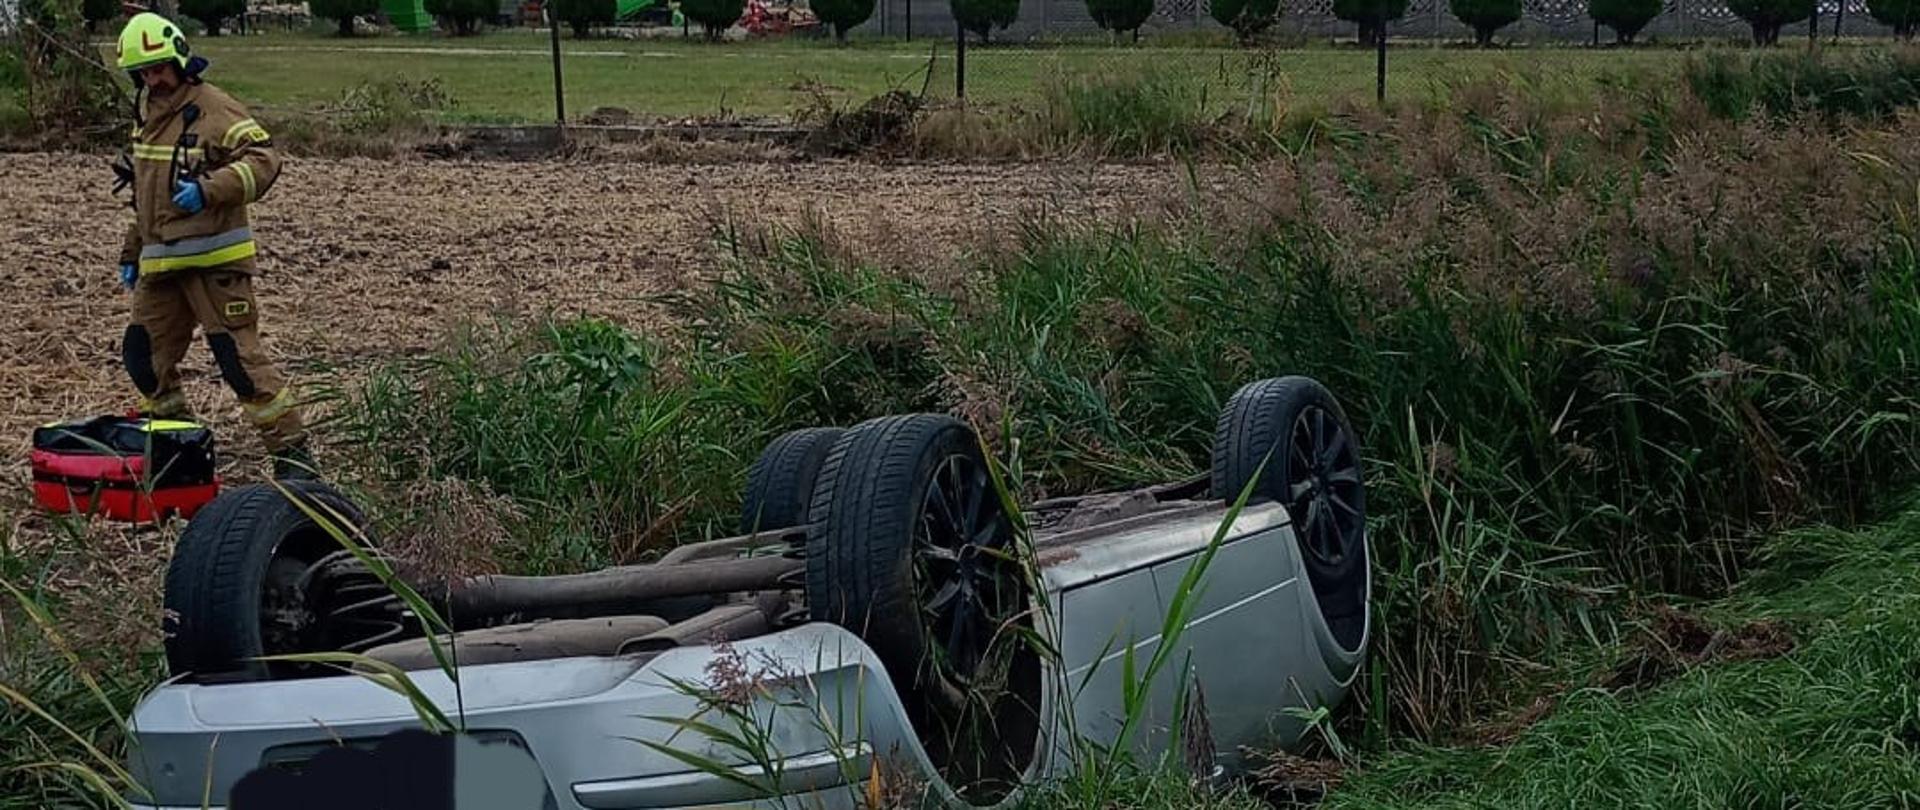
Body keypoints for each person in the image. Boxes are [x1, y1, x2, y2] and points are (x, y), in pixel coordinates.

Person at [113, 12, 313, 478]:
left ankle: (295, 462)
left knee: (240, 364)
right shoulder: (149, 119)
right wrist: (131, 252)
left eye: (160, 68)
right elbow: (147, 196)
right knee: (143, 360)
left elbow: (264, 159)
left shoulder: (213, 107)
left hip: (214, 265)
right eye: (143, 73)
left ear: (180, 60)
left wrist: (210, 188)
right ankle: (179, 448)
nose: (153, 79)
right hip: (161, 268)